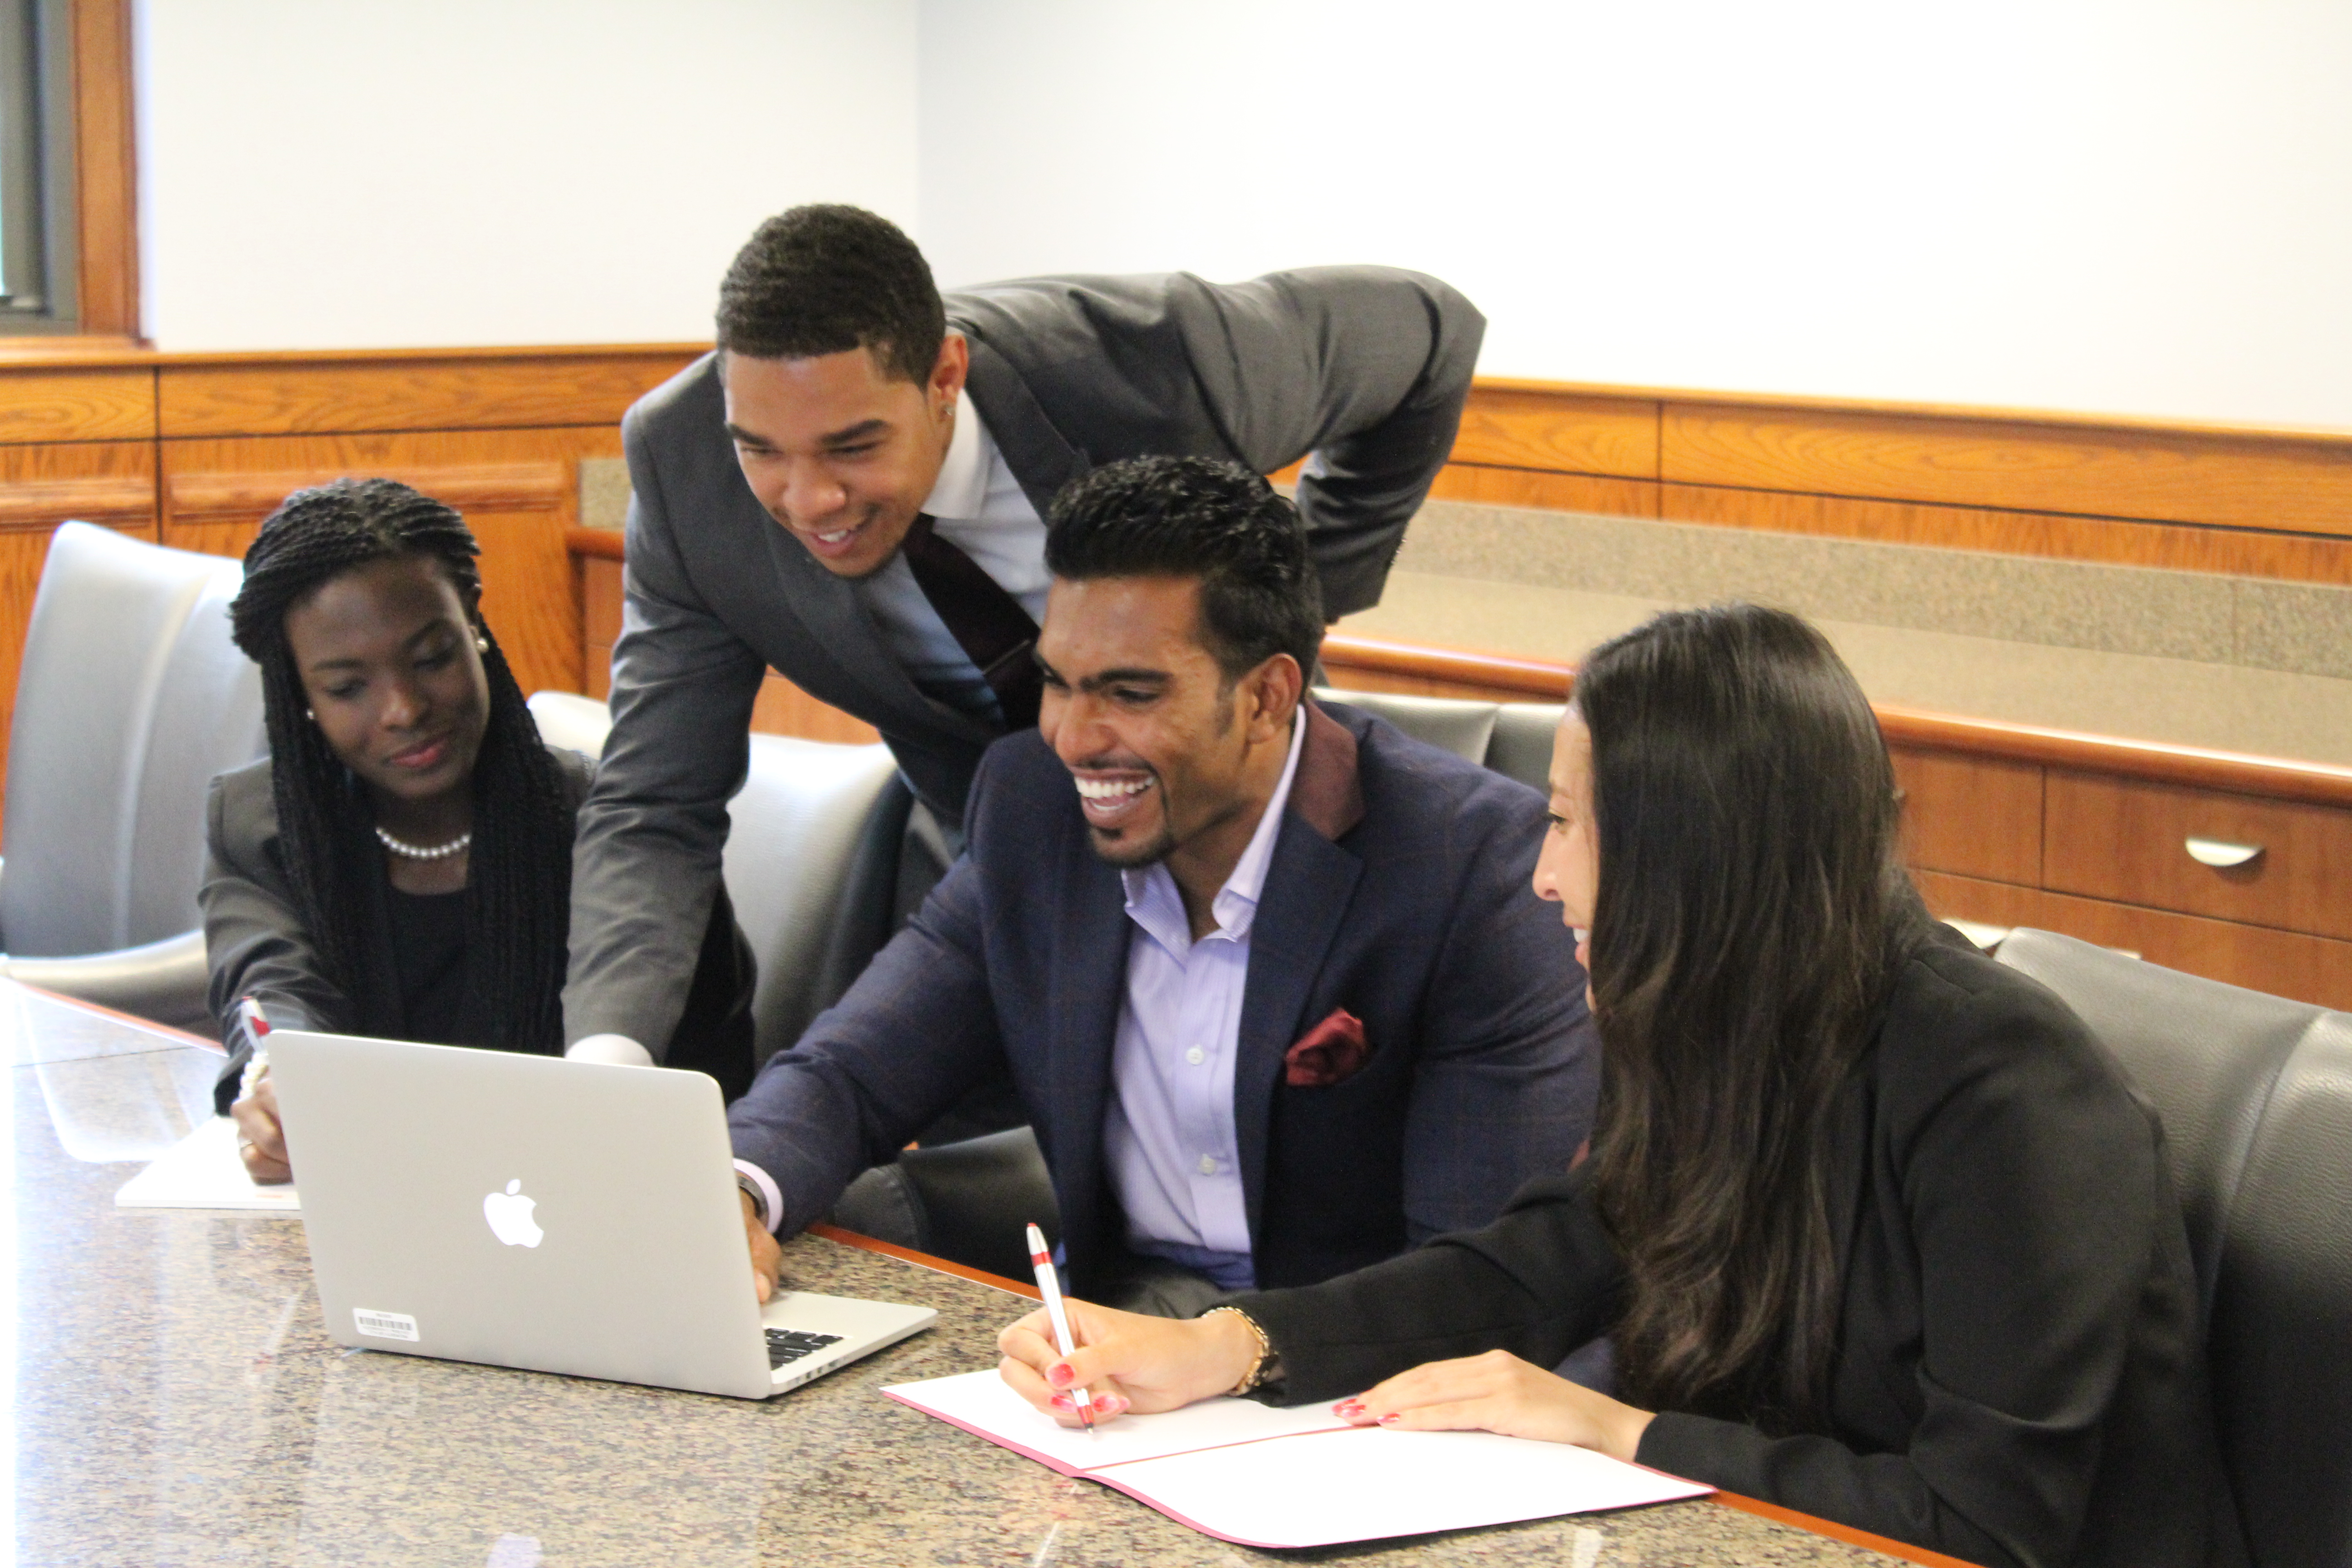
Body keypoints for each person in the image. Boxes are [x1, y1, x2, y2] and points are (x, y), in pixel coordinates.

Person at [997, 604, 2241, 1568]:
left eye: (1571, 826)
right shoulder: (1724, 1019)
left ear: (1693, 861)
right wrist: (1232, 1343)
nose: (1544, 878)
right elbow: (1549, 1260)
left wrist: (1617, 1433)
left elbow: (1985, 1525)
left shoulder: (2002, 1093)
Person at [564, 202, 1485, 1074]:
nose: (808, 501)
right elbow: (654, 801)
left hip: (1243, 844)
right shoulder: (684, 469)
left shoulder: (1162, 359)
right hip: (1000, 871)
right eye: (761, 450)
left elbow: (1432, 333)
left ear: (945, 379)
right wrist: (608, 1061)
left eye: (852, 447)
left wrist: (1299, 596)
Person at [729, 456, 1597, 1314]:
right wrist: (735, 1194)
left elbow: (1474, 1285)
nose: (1073, 738)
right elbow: (856, 1071)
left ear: (1266, 698)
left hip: (1355, 1366)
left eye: (1130, 694)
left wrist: (1222, 1359)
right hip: (1106, 1331)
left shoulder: (1476, 877)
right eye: (1058, 684)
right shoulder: (1032, 808)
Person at [203, 479, 757, 1183]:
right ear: (300, 697)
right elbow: (269, 980)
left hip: (600, 1199)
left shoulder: (619, 828)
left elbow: (713, 1073)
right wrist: (283, 1080)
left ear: (476, 627)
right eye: (347, 687)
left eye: (433, 657)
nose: (403, 709)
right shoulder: (257, 826)